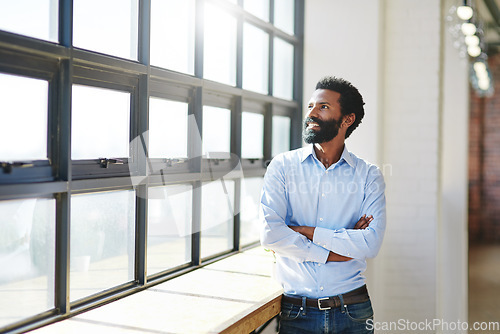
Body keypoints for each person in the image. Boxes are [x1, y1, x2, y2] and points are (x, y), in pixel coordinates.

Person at [260, 76, 386, 333]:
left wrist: (304, 231)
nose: (312, 113)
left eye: (323, 107)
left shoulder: (368, 175)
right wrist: (338, 249)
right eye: (310, 106)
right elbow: (271, 235)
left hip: (353, 311)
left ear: (347, 119)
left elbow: (370, 244)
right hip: (297, 312)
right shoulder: (282, 167)